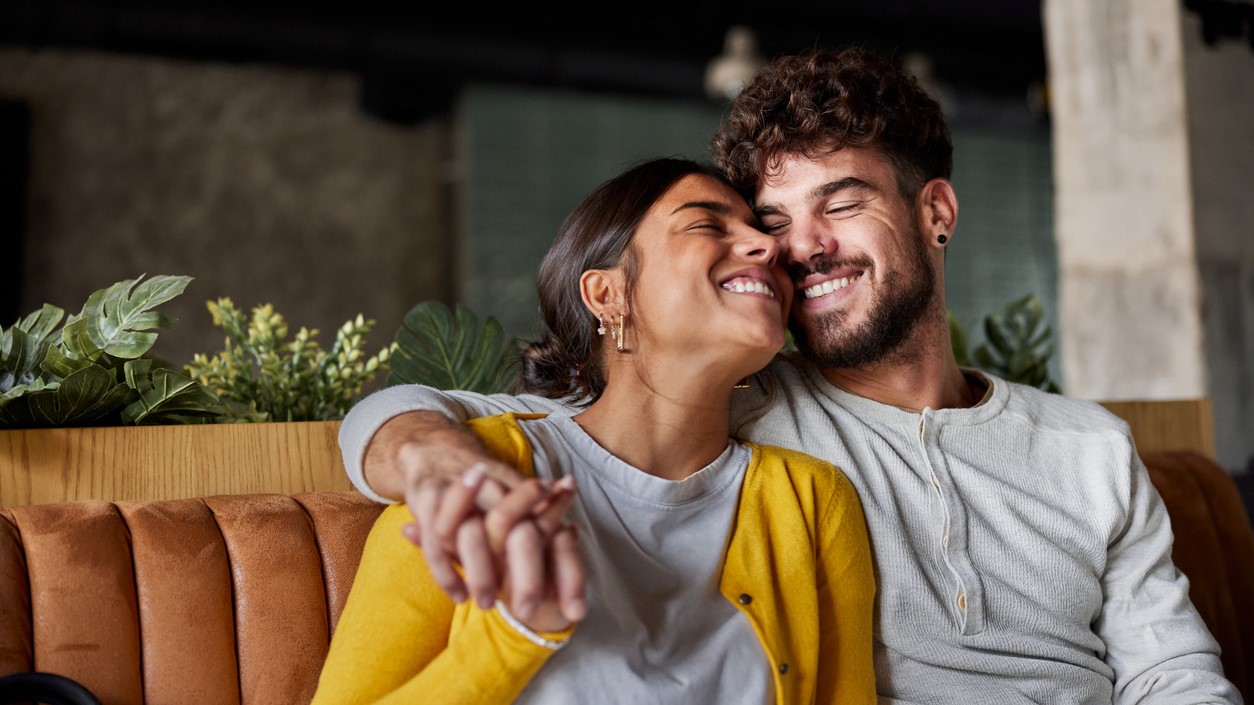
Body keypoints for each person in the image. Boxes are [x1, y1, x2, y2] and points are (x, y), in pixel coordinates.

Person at [336, 47, 1244, 704]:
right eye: (774, 219)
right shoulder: (745, 412)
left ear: (935, 211)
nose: (797, 248)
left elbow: (1170, 670)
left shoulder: (1090, 448)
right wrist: (435, 460)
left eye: (840, 204)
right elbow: (468, 420)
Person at [312, 157, 878, 704]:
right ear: (608, 295)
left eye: (760, 231)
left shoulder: (812, 503)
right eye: (707, 225)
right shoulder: (474, 475)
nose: (770, 246)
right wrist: (518, 635)